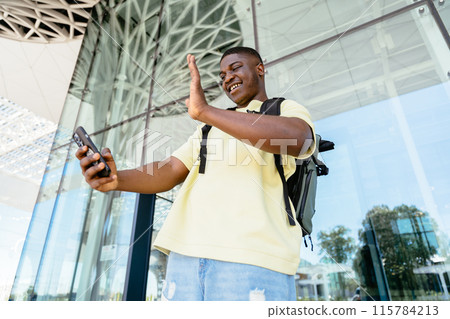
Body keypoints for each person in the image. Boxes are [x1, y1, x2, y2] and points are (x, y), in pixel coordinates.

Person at [76, 46, 316, 301]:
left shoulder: (282, 109)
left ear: (260, 69)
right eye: (222, 75)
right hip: (185, 260)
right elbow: (169, 169)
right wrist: (116, 179)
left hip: (253, 258)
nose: (227, 78)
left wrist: (206, 112)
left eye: (235, 68)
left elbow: (300, 138)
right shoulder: (208, 129)